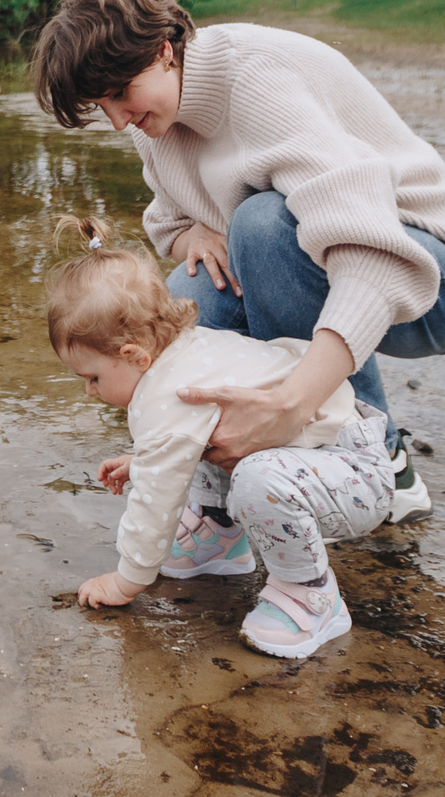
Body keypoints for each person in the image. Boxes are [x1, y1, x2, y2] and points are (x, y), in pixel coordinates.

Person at [29, 0, 445, 522]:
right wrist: (191, 236)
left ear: (163, 51)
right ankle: (224, 484)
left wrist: (291, 402)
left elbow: (375, 257)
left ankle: (378, 459)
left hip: (441, 273)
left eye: (119, 94)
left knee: (262, 226)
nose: (117, 119)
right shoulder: (154, 115)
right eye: (99, 105)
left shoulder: (257, 82)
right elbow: (166, 219)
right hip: (328, 266)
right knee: (183, 301)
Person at [48, 222, 393, 657]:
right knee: (221, 447)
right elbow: (178, 445)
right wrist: (143, 460)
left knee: (256, 478)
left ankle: (310, 594)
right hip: (333, 451)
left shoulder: (165, 395)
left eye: (93, 377)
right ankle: (218, 534)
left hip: (355, 477)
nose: (90, 391)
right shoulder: (187, 348)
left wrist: (127, 580)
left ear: (133, 355)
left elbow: (155, 504)